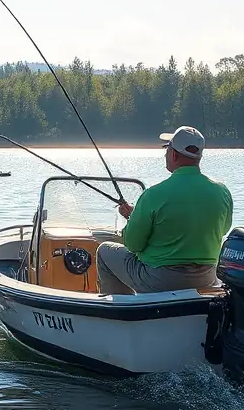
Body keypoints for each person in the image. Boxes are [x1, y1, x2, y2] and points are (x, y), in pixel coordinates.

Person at [96, 126, 234, 295]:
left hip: (159, 280)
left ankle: (121, 313)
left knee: (104, 251)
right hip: (206, 277)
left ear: (174, 154)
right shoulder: (222, 192)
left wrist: (133, 220)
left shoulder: (153, 194)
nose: (165, 154)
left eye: (167, 148)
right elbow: (223, 229)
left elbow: (132, 244)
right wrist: (136, 214)